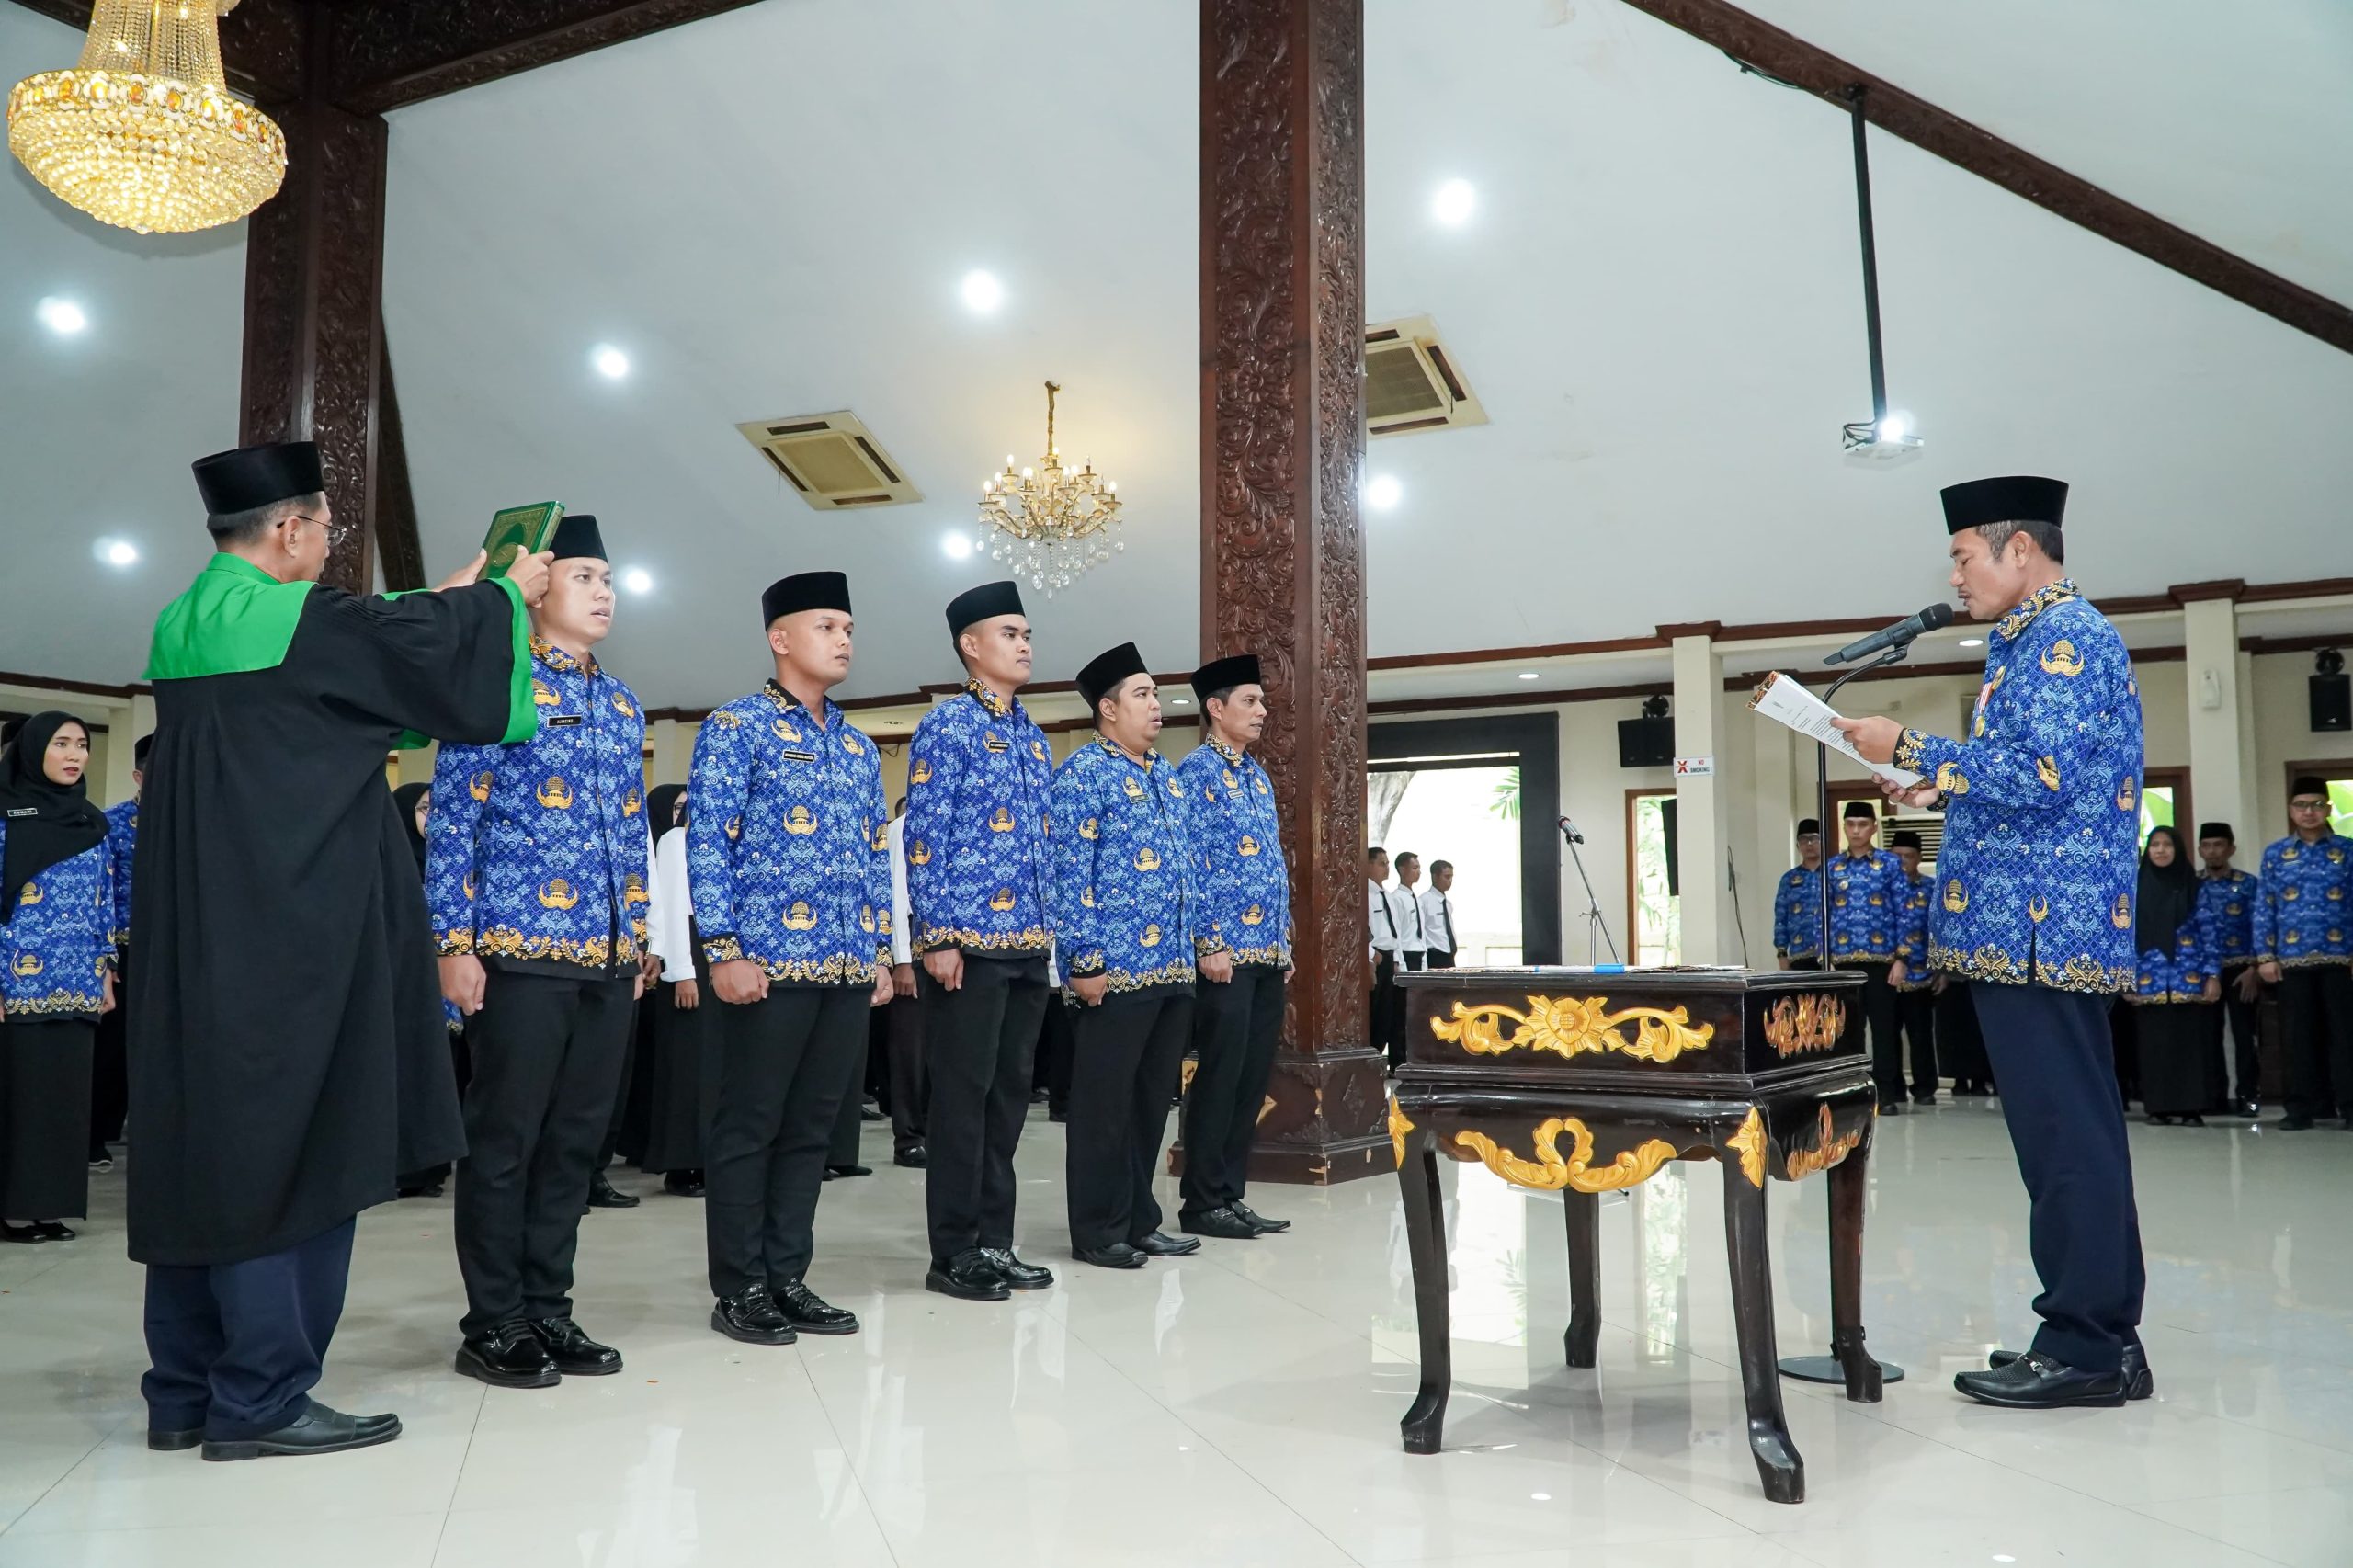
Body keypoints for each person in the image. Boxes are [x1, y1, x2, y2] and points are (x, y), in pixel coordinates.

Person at [132, 438, 551, 1460]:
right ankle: (262, 1395)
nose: (328, 546)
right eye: (325, 529)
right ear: (287, 529)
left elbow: (358, 653)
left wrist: (450, 599)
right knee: (296, 1141)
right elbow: (401, 653)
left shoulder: (183, 621)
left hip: (199, 937)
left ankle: (183, 1390)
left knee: (203, 1140)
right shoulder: (300, 620)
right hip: (293, 938)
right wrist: (502, 596)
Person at [1837, 472, 2148, 1410]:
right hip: (2025, 926)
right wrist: (1938, 785)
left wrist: (1911, 748)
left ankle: (2085, 1345)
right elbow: (2026, 780)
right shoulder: (2028, 639)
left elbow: (2043, 772)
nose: (1955, 574)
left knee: (2065, 1143)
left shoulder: (2064, 635)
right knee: (2070, 1138)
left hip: (2041, 931)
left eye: (1963, 555)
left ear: (2021, 548)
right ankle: (2103, 1338)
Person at [429, 515, 648, 1390]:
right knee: (506, 1141)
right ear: (539, 587)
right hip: (517, 950)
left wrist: (638, 939)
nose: (603, 593)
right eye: (585, 576)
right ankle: (494, 1320)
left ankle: (549, 1307)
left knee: (575, 1144)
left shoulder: (621, 701)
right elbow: (455, 822)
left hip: (606, 956)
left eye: (609, 580)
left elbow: (630, 833)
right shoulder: (497, 682)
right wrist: (452, 944)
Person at [688, 572, 893, 1344]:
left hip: (844, 968)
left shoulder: (857, 745)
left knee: (814, 1130)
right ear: (780, 638)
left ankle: (787, 1275)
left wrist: (878, 951)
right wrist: (723, 949)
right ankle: (740, 1285)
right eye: (826, 626)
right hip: (766, 967)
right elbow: (708, 843)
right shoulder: (736, 726)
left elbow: (875, 856)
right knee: (750, 1125)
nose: (843, 640)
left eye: (849, 628)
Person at [907, 581, 1059, 1302]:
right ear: (971, 646)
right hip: (966, 946)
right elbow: (925, 836)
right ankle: (954, 1250)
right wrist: (937, 935)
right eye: (1010, 633)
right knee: (963, 1102)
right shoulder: (948, 726)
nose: (1024, 645)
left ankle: (996, 1241)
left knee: (1008, 1102)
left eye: (1027, 634)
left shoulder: (1032, 735)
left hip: (1027, 945)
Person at [1047, 644, 1218, 1268]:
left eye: (1155, 694)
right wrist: (1084, 959)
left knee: (1149, 1104)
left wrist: (1200, 944)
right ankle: (1097, 1228)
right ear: (1108, 708)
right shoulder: (1083, 774)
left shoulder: (1164, 774)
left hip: (1171, 968)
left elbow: (1189, 869)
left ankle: (1139, 1218)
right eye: (1142, 694)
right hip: (1114, 971)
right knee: (1104, 1106)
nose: (1156, 705)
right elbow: (1070, 875)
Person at [1174, 653, 1293, 1241]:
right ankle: (1201, 1200)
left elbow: (1271, 865)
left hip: (1266, 952)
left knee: (1250, 1077)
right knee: (1219, 1076)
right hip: (1224, 955)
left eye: (1262, 701)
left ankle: (1229, 1193)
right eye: (1250, 701)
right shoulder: (1194, 774)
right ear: (1215, 709)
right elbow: (1190, 865)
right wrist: (1209, 941)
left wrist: (1283, 939)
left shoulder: (1256, 775)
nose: (1262, 710)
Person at [0, 713, 116, 1245]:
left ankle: (48, 1207)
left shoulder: (92, 822)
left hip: (76, 982)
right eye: (61, 743)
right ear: (32, 751)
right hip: (16, 983)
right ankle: (8, 1209)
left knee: (61, 1103)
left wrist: (106, 972)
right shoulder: (6, 816)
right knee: (17, 1099)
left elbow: (103, 903)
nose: (74, 755)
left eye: (82, 745)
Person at [2254, 777, 2353, 1131]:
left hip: (2341, 959)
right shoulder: (2276, 854)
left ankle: (2349, 1106)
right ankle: (2300, 1109)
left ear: (2328, 808)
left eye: (2316, 805)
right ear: (2291, 810)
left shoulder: (2347, 850)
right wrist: (2265, 956)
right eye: (2301, 805)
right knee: (2297, 1038)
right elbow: (2265, 906)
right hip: (2291, 960)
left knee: (2345, 1037)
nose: (2308, 812)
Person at [393, 782, 464, 1199]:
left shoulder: (451, 866)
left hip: (445, 994)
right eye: (423, 809)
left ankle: (429, 1167)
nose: (432, 818)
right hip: (400, 988)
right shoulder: (390, 863)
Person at [642, 783, 709, 1196]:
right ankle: (682, 1165)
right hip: (689, 956)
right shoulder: (674, 841)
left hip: (719, 953)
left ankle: (708, 1158)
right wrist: (683, 971)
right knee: (688, 1065)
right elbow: (669, 906)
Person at [2130, 825, 2222, 1126]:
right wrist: (2125, 980)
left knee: (2190, 1047)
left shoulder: (2195, 887)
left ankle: (2191, 1108)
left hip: (2188, 979)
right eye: (2155, 844)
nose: (2160, 850)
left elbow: (2209, 933)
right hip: (2148, 981)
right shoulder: (2134, 889)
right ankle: (2158, 1107)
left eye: (2167, 845)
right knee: (2154, 1046)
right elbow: (2126, 939)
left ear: (2178, 849)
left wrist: (2212, 975)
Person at [1825, 801, 1910, 1114]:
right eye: (1851, 824)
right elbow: (1824, 914)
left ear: (1874, 827)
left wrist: (1903, 958)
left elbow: (1904, 910)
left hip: (1882, 961)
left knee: (1884, 1030)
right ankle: (1852, 1094)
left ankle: (1885, 1094)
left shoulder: (1889, 864)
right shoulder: (1833, 867)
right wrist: (1824, 958)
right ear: (1844, 827)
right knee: (1848, 1031)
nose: (1856, 830)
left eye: (1863, 824)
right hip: (1844, 961)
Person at [90, 732, 147, 1171]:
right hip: (124, 952)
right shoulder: (111, 824)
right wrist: (107, 957)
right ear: (138, 777)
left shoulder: (193, 825)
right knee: (112, 1048)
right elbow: (99, 895)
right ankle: (96, 1134)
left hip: (174, 954)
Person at [2193, 822, 2264, 1119]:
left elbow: (2260, 926)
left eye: (2219, 845)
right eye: (2207, 846)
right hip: (2203, 973)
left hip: (2241, 972)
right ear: (2200, 851)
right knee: (2207, 1037)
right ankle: (2214, 1098)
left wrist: (2255, 968)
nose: (2213, 851)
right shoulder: (2192, 884)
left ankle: (2249, 1097)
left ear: (2231, 849)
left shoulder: (2249, 884)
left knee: (2245, 1037)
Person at [881, 796, 927, 1167]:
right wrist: (903, 960)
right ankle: (909, 1137)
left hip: (954, 942)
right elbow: (895, 896)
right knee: (911, 1051)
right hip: (914, 943)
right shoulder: (901, 828)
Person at [1889, 829, 1940, 1105]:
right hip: (1888, 974)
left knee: (1920, 1035)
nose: (1902, 861)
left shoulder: (1931, 887)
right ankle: (1893, 1087)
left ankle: (1924, 1088)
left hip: (1921, 973)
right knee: (1888, 1034)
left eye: (1908, 856)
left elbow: (1939, 930)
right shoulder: (1882, 886)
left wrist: (1943, 970)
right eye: (1896, 856)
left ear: (1919, 858)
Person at [1771, 819, 1825, 970]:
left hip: (1831, 955)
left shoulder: (1833, 874)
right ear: (1797, 846)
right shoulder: (1788, 879)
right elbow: (1781, 918)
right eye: (1803, 840)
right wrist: (1782, 954)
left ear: (1823, 842)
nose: (1809, 844)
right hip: (1799, 955)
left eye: (1814, 838)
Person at [1367, 847, 1400, 1065]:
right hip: (1375, 958)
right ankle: (1370, 1057)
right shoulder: (1365, 894)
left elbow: (1396, 932)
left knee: (1388, 1013)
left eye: (1387, 863)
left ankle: (1378, 1056)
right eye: (1382, 863)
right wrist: (1371, 953)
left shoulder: (1388, 896)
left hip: (1389, 957)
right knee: (1374, 1010)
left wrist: (1397, 960)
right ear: (1368, 865)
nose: (1387, 868)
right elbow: (1363, 928)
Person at [1393, 852, 1429, 974]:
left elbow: (1421, 932)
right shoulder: (1397, 898)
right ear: (1402, 870)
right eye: (1414, 868)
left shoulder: (1417, 900)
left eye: (1419, 868)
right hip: (1406, 953)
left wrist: (1424, 960)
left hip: (1419, 953)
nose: (1419, 872)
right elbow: (1396, 933)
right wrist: (1400, 963)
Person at [1420, 860, 1460, 969]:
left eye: (1451, 877)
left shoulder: (1447, 903)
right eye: (1446, 877)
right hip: (1433, 954)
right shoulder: (1424, 901)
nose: (1450, 881)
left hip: (1449, 954)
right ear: (1435, 877)